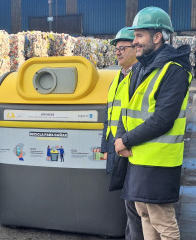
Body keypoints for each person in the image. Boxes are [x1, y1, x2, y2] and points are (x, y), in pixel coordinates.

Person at [114, 7, 192, 239]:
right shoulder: (140, 67)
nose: (134, 41)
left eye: (139, 36)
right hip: (137, 156)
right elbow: (125, 109)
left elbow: (163, 119)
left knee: (162, 220)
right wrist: (121, 139)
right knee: (144, 214)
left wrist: (125, 140)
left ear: (157, 37)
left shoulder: (174, 70)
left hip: (159, 161)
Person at [100, 27, 143, 240]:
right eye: (116, 49)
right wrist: (105, 146)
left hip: (131, 147)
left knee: (135, 203)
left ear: (136, 48)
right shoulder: (117, 77)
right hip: (117, 145)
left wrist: (123, 142)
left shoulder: (140, 75)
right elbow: (109, 116)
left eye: (122, 48)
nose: (117, 52)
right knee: (129, 202)